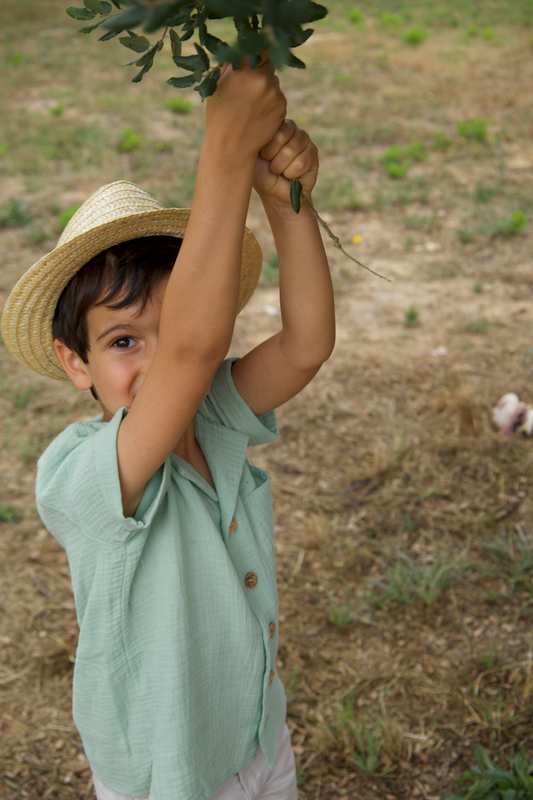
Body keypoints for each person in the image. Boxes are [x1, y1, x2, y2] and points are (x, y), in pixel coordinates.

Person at [1, 57, 335, 800]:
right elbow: (193, 347)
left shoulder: (209, 412)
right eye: (123, 341)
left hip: (255, 735)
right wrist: (220, 147)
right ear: (73, 361)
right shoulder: (82, 476)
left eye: (165, 326)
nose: (153, 358)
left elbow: (306, 345)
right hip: (169, 778)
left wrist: (283, 199)